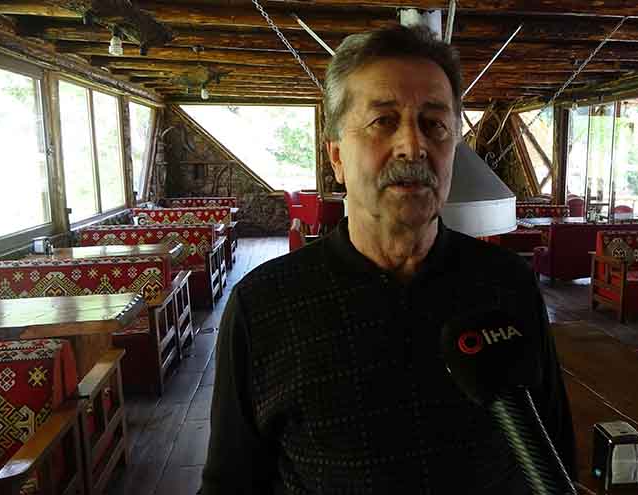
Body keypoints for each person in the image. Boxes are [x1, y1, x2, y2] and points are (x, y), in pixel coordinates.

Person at [200, 25, 577, 494]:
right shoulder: (263, 307)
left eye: (434, 124)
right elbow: (230, 484)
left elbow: (555, 452)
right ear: (336, 157)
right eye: (383, 121)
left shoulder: (508, 283)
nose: (413, 146)